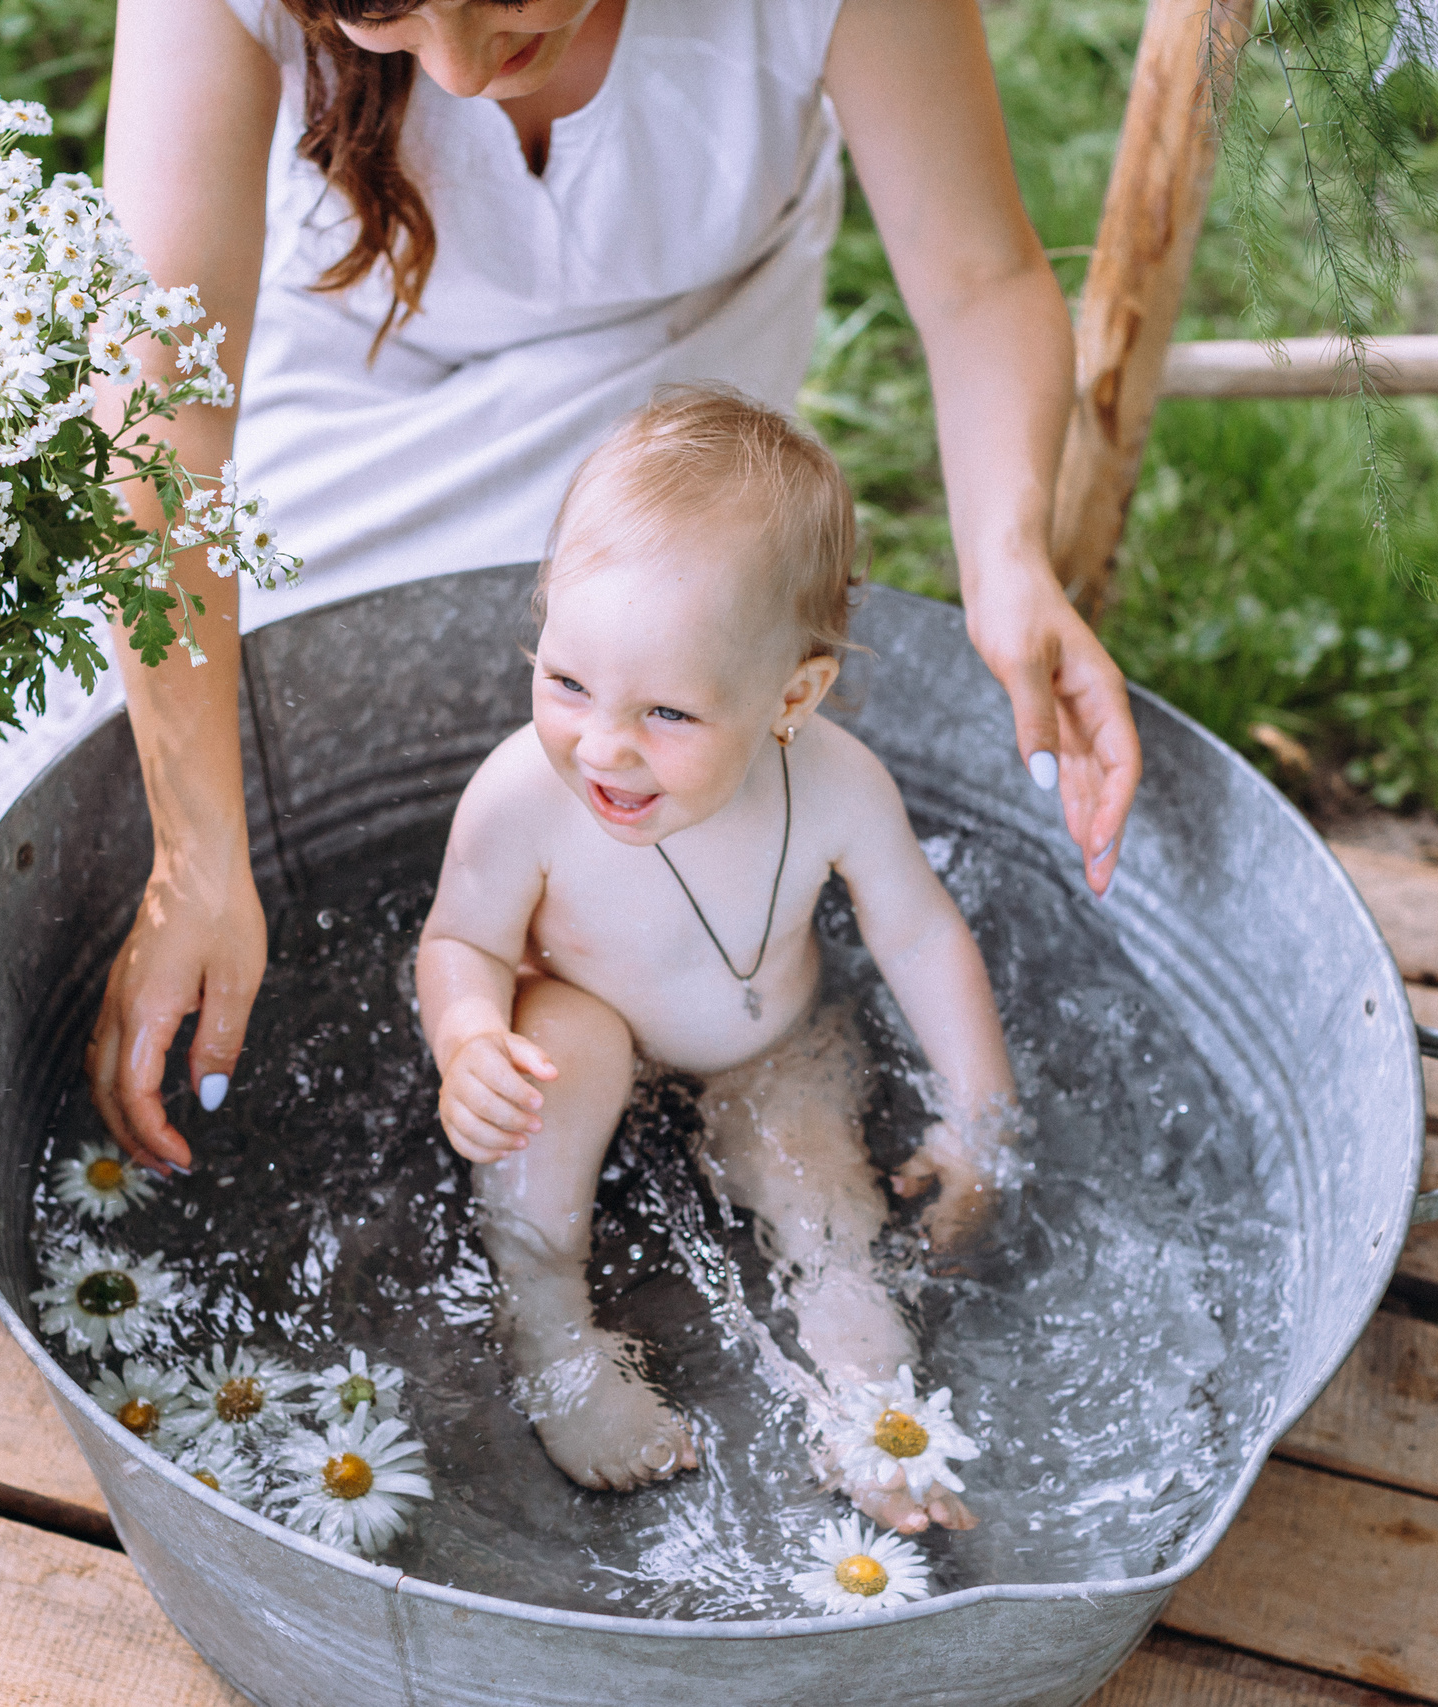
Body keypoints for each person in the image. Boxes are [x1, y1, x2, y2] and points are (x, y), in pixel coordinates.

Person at [89, 0, 1139, 1175]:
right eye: (383, 17)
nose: (460, 72)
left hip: (662, 405)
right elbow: (157, 427)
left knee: (666, 634)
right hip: (350, 385)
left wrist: (1008, 561)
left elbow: (981, 276)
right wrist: (195, 855)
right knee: (87, 767)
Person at [416, 388, 1015, 1530]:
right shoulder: (523, 797)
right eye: (566, 682)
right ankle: (552, 1325)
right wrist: (467, 1039)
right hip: (582, 1030)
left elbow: (918, 929)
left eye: (668, 715)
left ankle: (874, 1410)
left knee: (825, 1201)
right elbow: (458, 939)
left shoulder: (838, 785)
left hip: (765, 1044)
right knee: (566, 1052)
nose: (603, 746)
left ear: (794, 695)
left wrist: (981, 1112)